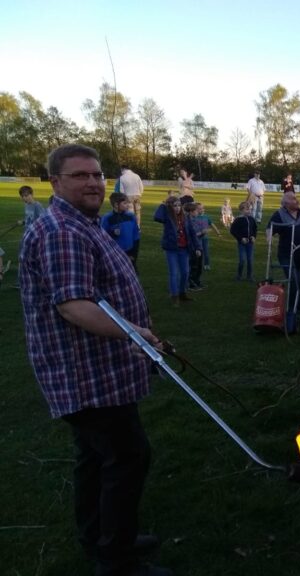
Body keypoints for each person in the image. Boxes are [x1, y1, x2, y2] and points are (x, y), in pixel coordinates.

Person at [19, 144, 171, 576]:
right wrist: (137, 333)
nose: (92, 182)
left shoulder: (80, 223)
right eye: (80, 175)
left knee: (95, 458)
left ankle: (101, 536)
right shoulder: (62, 231)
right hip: (86, 375)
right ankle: (117, 561)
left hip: (98, 371)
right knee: (127, 458)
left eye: (97, 175)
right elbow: (74, 306)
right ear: (56, 182)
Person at [267, 192, 300, 314]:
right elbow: (270, 229)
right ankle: (291, 311)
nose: (297, 200)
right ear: (286, 204)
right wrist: (269, 240)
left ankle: (298, 305)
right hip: (286, 255)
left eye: (296, 198)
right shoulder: (279, 215)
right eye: (294, 199)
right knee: (294, 281)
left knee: (298, 282)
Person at [154, 196, 201, 306]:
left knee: (185, 272)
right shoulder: (167, 216)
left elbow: (192, 233)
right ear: (169, 207)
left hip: (184, 249)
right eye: (174, 206)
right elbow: (157, 217)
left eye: (179, 205)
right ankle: (174, 295)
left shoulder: (185, 217)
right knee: (174, 273)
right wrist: (163, 205)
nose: (177, 208)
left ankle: (182, 293)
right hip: (172, 249)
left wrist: (198, 247)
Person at [101, 192, 140, 270]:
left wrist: (134, 254)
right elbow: (102, 238)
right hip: (115, 253)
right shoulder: (107, 218)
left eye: (128, 203)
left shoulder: (131, 216)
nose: (128, 205)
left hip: (130, 252)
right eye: (125, 203)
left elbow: (136, 235)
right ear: (116, 205)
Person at [229, 201, 257, 281]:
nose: (249, 211)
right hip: (242, 243)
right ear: (241, 210)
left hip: (250, 243)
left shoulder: (252, 219)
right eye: (247, 209)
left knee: (250, 260)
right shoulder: (238, 220)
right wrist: (240, 238)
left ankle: (249, 276)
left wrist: (253, 236)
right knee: (242, 260)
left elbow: (255, 229)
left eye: (250, 210)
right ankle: (239, 275)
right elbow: (233, 231)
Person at [194, 202, 221, 271]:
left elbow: (212, 225)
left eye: (202, 208)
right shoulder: (194, 218)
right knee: (198, 252)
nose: (202, 210)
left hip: (205, 238)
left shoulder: (206, 217)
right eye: (199, 209)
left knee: (206, 252)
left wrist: (218, 232)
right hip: (197, 238)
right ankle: (197, 264)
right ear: (196, 210)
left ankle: (207, 264)